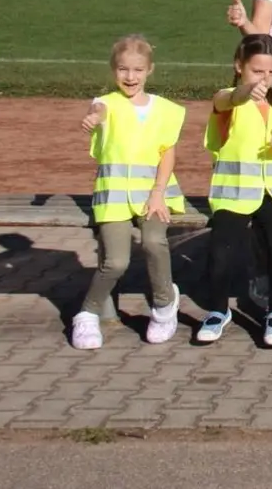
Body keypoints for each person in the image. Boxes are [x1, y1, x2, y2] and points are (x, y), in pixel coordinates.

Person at [70, 35, 186, 350]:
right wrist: (94, 117)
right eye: (123, 70)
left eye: (137, 70)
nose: (130, 77)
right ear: (114, 71)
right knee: (116, 262)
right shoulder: (106, 103)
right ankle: (87, 314)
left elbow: (167, 153)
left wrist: (158, 193)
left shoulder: (165, 110)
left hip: (154, 194)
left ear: (150, 70)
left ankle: (163, 306)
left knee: (153, 241)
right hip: (113, 198)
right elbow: (99, 110)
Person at [196, 34, 272, 347]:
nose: (265, 78)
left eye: (271, 72)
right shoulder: (228, 99)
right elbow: (227, 99)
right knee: (220, 253)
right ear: (239, 66)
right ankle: (218, 311)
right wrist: (246, 91)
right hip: (234, 191)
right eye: (258, 71)